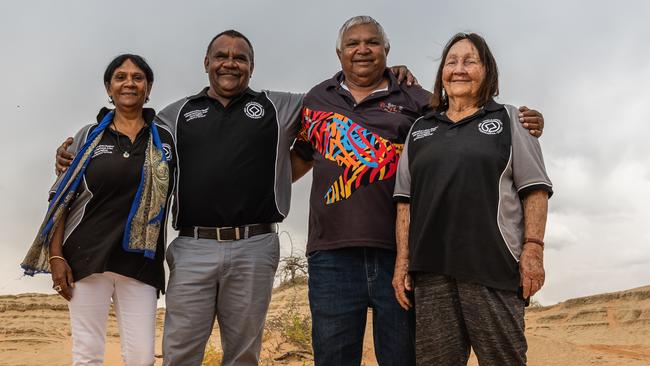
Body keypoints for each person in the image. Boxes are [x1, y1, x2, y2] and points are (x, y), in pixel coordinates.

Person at [54, 30, 416, 366]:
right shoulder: (173, 115)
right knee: (180, 351)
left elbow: (337, 100)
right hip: (193, 245)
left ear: (252, 67)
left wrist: (389, 75)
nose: (230, 63)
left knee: (243, 354)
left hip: (254, 246)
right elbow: (123, 136)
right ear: (207, 63)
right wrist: (72, 149)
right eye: (221, 56)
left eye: (240, 58)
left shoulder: (281, 107)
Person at [291, 16, 545, 366]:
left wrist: (527, 120)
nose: (362, 49)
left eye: (372, 43)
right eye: (352, 43)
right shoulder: (317, 99)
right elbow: (301, 159)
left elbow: (465, 117)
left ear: (386, 50)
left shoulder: (417, 99)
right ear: (339, 52)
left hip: (401, 254)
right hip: (336, 256)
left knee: (404, 358)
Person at [392, 32, 552, 366]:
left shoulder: (511, 120)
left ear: (487, 71)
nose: (459, 69)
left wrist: (533, 250)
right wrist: (403, 261)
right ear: (442, 74)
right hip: (432, 274)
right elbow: (405, 202)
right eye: (451, 62)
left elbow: (535, 189)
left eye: (470, 61)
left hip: (493, 270)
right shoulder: (420, 129)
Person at [22, 54, 176, 366]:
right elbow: (62, 197)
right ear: (109, 88)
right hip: (86, 258)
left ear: (149, 88)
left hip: (141, 263)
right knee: (88, 355)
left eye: (137, 77)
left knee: (141, 358)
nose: (129, 83)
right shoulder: (88, 137)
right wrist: (56, 256)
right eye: (120, 77)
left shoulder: (166, 140)